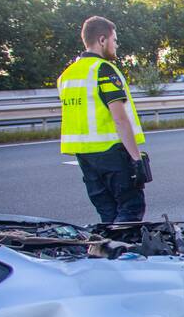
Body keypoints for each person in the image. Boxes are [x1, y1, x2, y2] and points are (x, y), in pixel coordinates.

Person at [58, 16, 149, 223]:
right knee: (130, 209)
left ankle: (108, 253)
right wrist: (136, 159)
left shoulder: (67, 75)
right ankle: (123, 252)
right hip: (111, 152)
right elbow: (120, 119)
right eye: (114, 40)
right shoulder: (103, 70)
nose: (116, 45)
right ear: (102, 40)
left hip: (85, 156)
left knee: (108, 214)